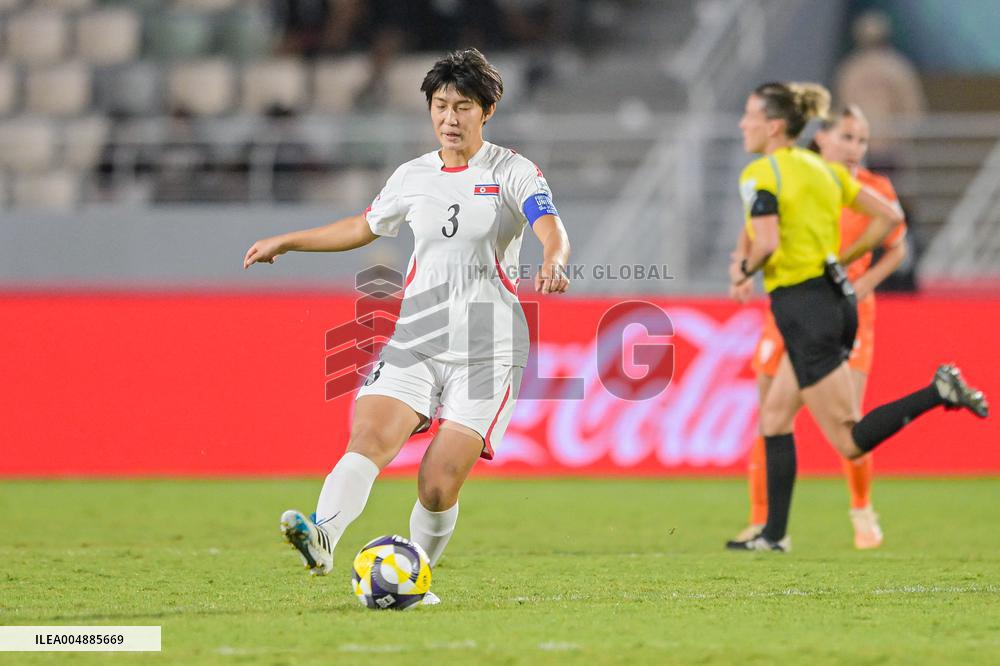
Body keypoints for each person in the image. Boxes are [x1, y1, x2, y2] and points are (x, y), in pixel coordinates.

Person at [243, 48, 571, 598]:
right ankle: (324, 538)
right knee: (369, 436)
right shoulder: (413, 176)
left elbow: (549, 225)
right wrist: (288, 240)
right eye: (440, 106)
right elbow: (364, 226)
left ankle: (414, 577)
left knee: (438, 485)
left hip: (488, 345)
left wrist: (554, 260)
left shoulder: (513, 171)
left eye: (462, 107)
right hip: (418, 334)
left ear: (487, 111)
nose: (449, 118)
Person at [725, 81, 988, 552]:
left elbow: (763, 242)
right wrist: (841, 262)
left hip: (806, 307)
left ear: (774, 125)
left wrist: (743, 269)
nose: (743, 124)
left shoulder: (763, 173)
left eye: (749, 115)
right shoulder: (824, 173)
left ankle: (938, 390)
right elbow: (889, 216)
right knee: (774, 417)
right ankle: (773, 534)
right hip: (831, 302)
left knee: (848, 440)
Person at [729, 104, 908, 550]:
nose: (856, 148)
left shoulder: (871, 187)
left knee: (849, 419)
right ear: (820, 138)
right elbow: (755, 225)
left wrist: (861, 282)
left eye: (862, 140)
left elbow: (897, 244)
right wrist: (741, 266)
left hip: (844, 309)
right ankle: (762, 523)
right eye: (847, 137)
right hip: (792, 306)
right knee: (770, 413)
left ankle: (861, 508)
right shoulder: (796, 175)